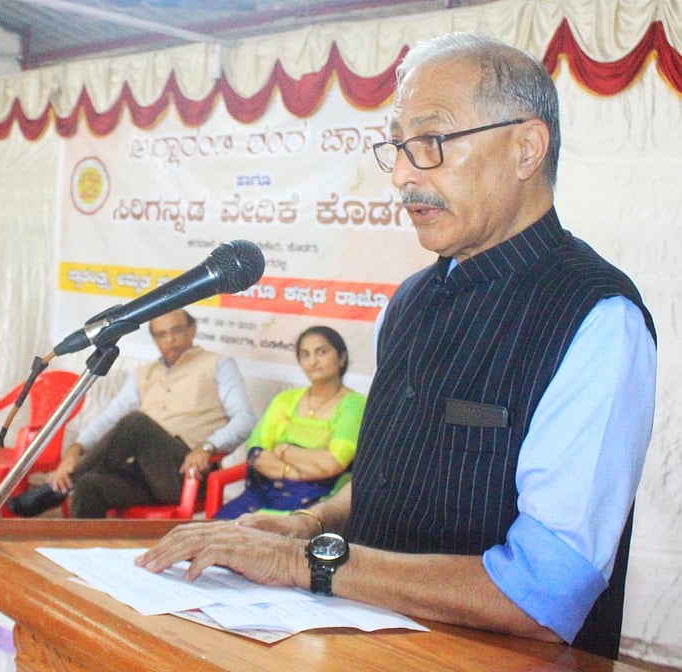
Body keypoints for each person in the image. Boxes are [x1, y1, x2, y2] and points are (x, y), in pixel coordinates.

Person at [136, 32, 657, 660]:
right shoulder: (410, 301)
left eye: (432, 142)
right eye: (399, 147)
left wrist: (309, 562)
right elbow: (392, 480)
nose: (404, 175)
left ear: (526, 147)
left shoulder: (596, 318)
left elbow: (543, 595)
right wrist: (311, 523)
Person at [7, 309, 255, 517]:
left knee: (137, 425)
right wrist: (74, 451)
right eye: (161, 334)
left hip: (187, 473)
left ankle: (55, 489)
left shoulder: (218, 364)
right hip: (146, 475)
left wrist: (208, 447)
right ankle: (83, 556)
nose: (170, 339)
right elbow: (108, 418)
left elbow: (244, 418)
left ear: (192, 330)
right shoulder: (144, 373)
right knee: (88, 486)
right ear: (155, 339)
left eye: (176, 330)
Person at [213, 326, 365, 519]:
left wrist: (283, 450)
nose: (313, 361)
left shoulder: (355, 405)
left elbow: (333, 464)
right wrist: (296, 471)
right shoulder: (285, 399)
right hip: (261, 494)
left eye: (322, 352)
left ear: (341, 357)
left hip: (317, 501)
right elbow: (257, 454)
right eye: (305, 355)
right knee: (213, 534)